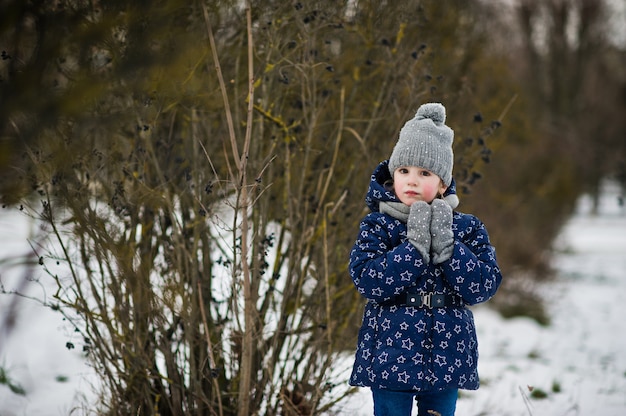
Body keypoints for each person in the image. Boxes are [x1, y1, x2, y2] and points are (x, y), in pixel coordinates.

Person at [349, 103, 502, 416]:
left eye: (425, 173)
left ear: (442, 183)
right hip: (392, 351)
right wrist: (414, 249)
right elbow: (367, 279)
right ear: (393, 175)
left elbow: (484, 285)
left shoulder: (466, 228)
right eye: (404, 171)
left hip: (447, 352)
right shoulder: (378, 224)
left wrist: (449, 247)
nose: (412, 180)